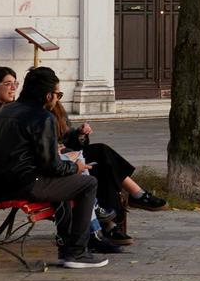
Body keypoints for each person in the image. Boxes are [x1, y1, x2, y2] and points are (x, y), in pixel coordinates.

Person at [0, 66, 119, 269]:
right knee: (88, 183)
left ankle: (68, 248)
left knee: (67, 183)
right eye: (58, 95)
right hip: (24, 183)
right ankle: (76, 252)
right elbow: (51, 166)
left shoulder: (5, 110)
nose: (57, 99)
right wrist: (75, 167)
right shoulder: (42, 117)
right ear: (48, 96)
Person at [48, 88, 164, 245]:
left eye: (60, 95)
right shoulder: (34, 114)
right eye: (57, 94)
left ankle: (111, 224)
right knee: (101, 156)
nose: (58, 98)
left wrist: (80, 134)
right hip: (56, 163)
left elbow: (69, 140)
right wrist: (55, 148)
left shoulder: (57, 109)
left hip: (69, 156)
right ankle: (136, 197)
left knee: (102, 165)